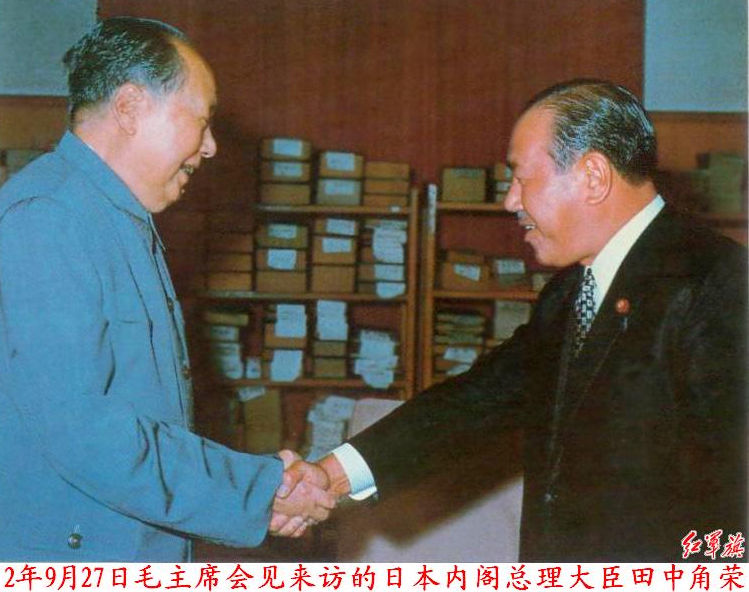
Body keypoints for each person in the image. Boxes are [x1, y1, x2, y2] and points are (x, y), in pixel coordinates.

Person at [287, 80, 748, 561]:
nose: (510, 201)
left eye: (522, 178)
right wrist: (331, 476)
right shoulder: (569, 292)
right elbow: (476, 401)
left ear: (593, 176)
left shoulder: (720, 284)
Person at [0, 17, 333, 562]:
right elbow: (86, 432)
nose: (210, 147)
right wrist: (256, 491)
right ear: (130, 108)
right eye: (201, 121)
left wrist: (256, 492)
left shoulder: (110, 217)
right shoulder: (48, 219)